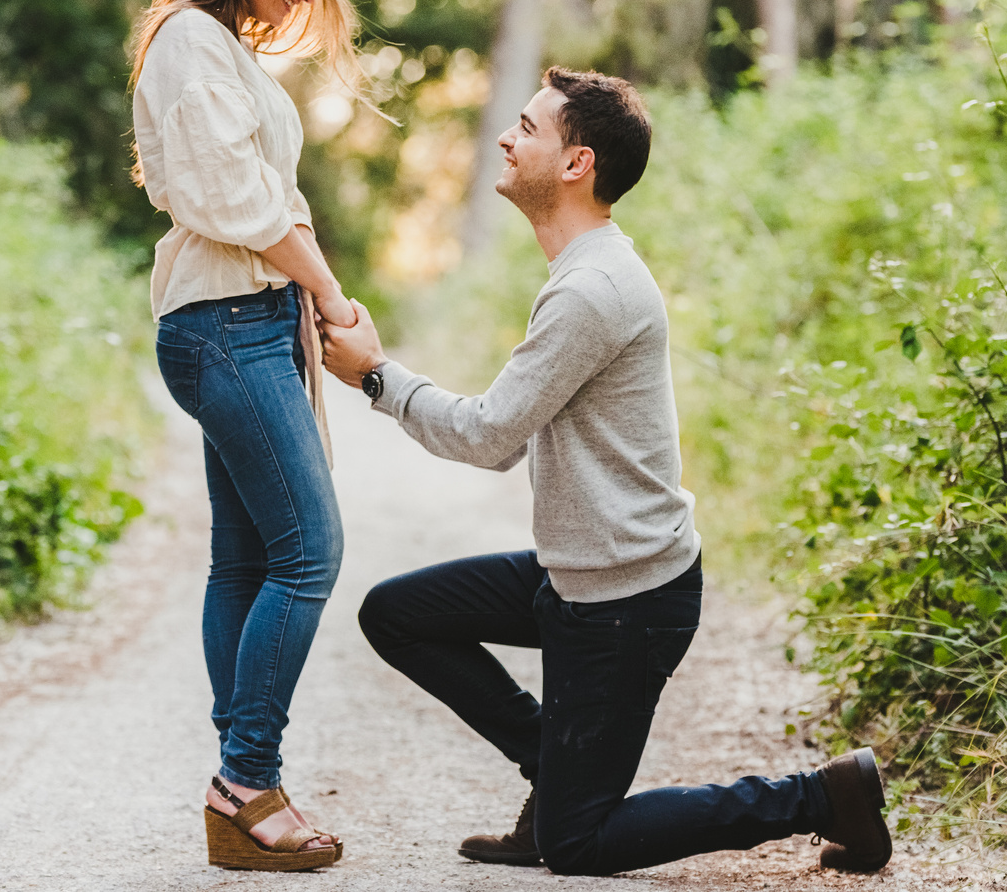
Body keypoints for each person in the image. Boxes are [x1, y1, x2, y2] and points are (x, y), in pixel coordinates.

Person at [320, 67, 893, 876]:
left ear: (574, 163)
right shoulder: (580, 272)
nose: (505, 136)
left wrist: (377, 376)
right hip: (578, 578)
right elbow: (512, 436)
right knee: (398, 614)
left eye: (526, 126)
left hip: (629, 602)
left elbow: (489, 438)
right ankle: (554, 771)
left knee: (578, 844)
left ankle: (817, 795)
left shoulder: (592, 288)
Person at [129, 0, 363, 872]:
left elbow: (272, 198)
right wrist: (329, 295)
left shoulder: (215, 47)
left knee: (251, 558)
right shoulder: (188, 40)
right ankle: (245, 777)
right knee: (309, 549)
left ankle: (241, 777)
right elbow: (241, 201)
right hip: (227, 324)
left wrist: (314, 293)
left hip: (247, 320)